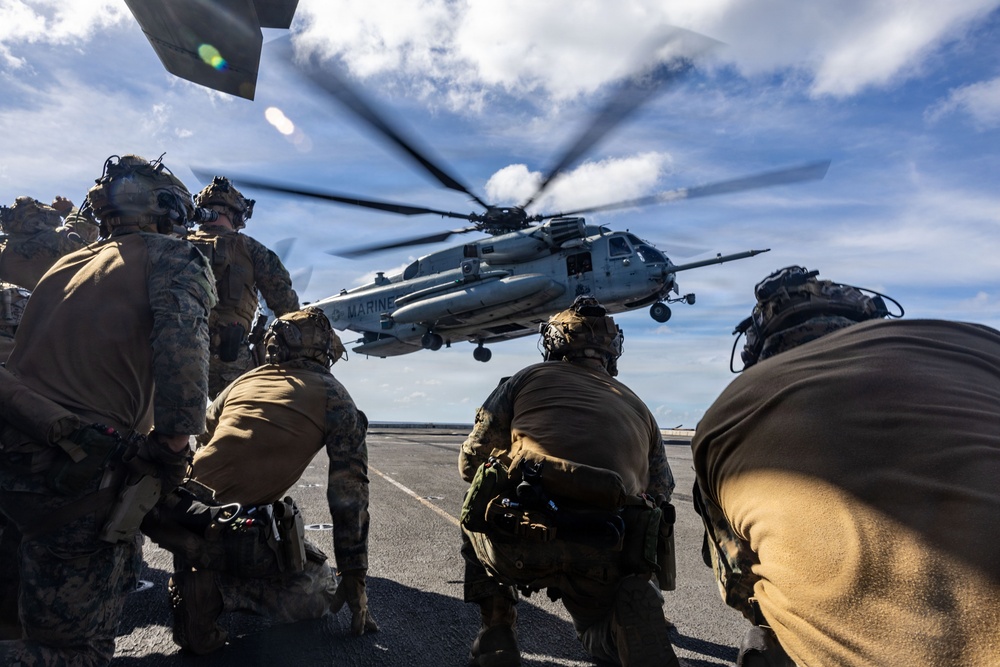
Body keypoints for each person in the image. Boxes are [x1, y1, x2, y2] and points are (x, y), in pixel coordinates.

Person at [691, 265, 1000, 667]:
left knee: (765, 633)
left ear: (758, 346)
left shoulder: (724, 416)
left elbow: (737, 584)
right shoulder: (979, 343)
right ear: (864, 313)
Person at [0, 153, 217, 666]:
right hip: (73, 472)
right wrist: (174, 445)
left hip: (16, 456)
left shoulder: (65, 265)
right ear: (167, 209)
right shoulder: (174, 257)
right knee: (75, 652)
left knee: (16, 617)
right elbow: (182, 348)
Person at [458, 295, 679, 667]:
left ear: (553, 342)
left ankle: (497, 631)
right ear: (612, 350)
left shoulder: (523, 380)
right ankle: (623, 621)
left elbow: (472, 462)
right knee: (596, 632)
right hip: (605, 543)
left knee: (479, 498)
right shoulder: (638, 407)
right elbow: (660, 491)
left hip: (521, 537)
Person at [142, 306, 377, 654]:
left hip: (177, 511)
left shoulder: (245, 381)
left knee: (230, 527)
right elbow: (350, 496)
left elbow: (203, 436)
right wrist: (354, 579)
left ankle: (200, 578)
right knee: (322, 589)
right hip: (230, 528)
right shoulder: (334, 396)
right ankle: (216, 593)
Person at [187, 176, 300, 397]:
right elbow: (287, 307)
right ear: (236, 213)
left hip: (169, 355)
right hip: (229, 360)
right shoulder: (252, 249)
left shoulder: (174, 243)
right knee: (245, 413)